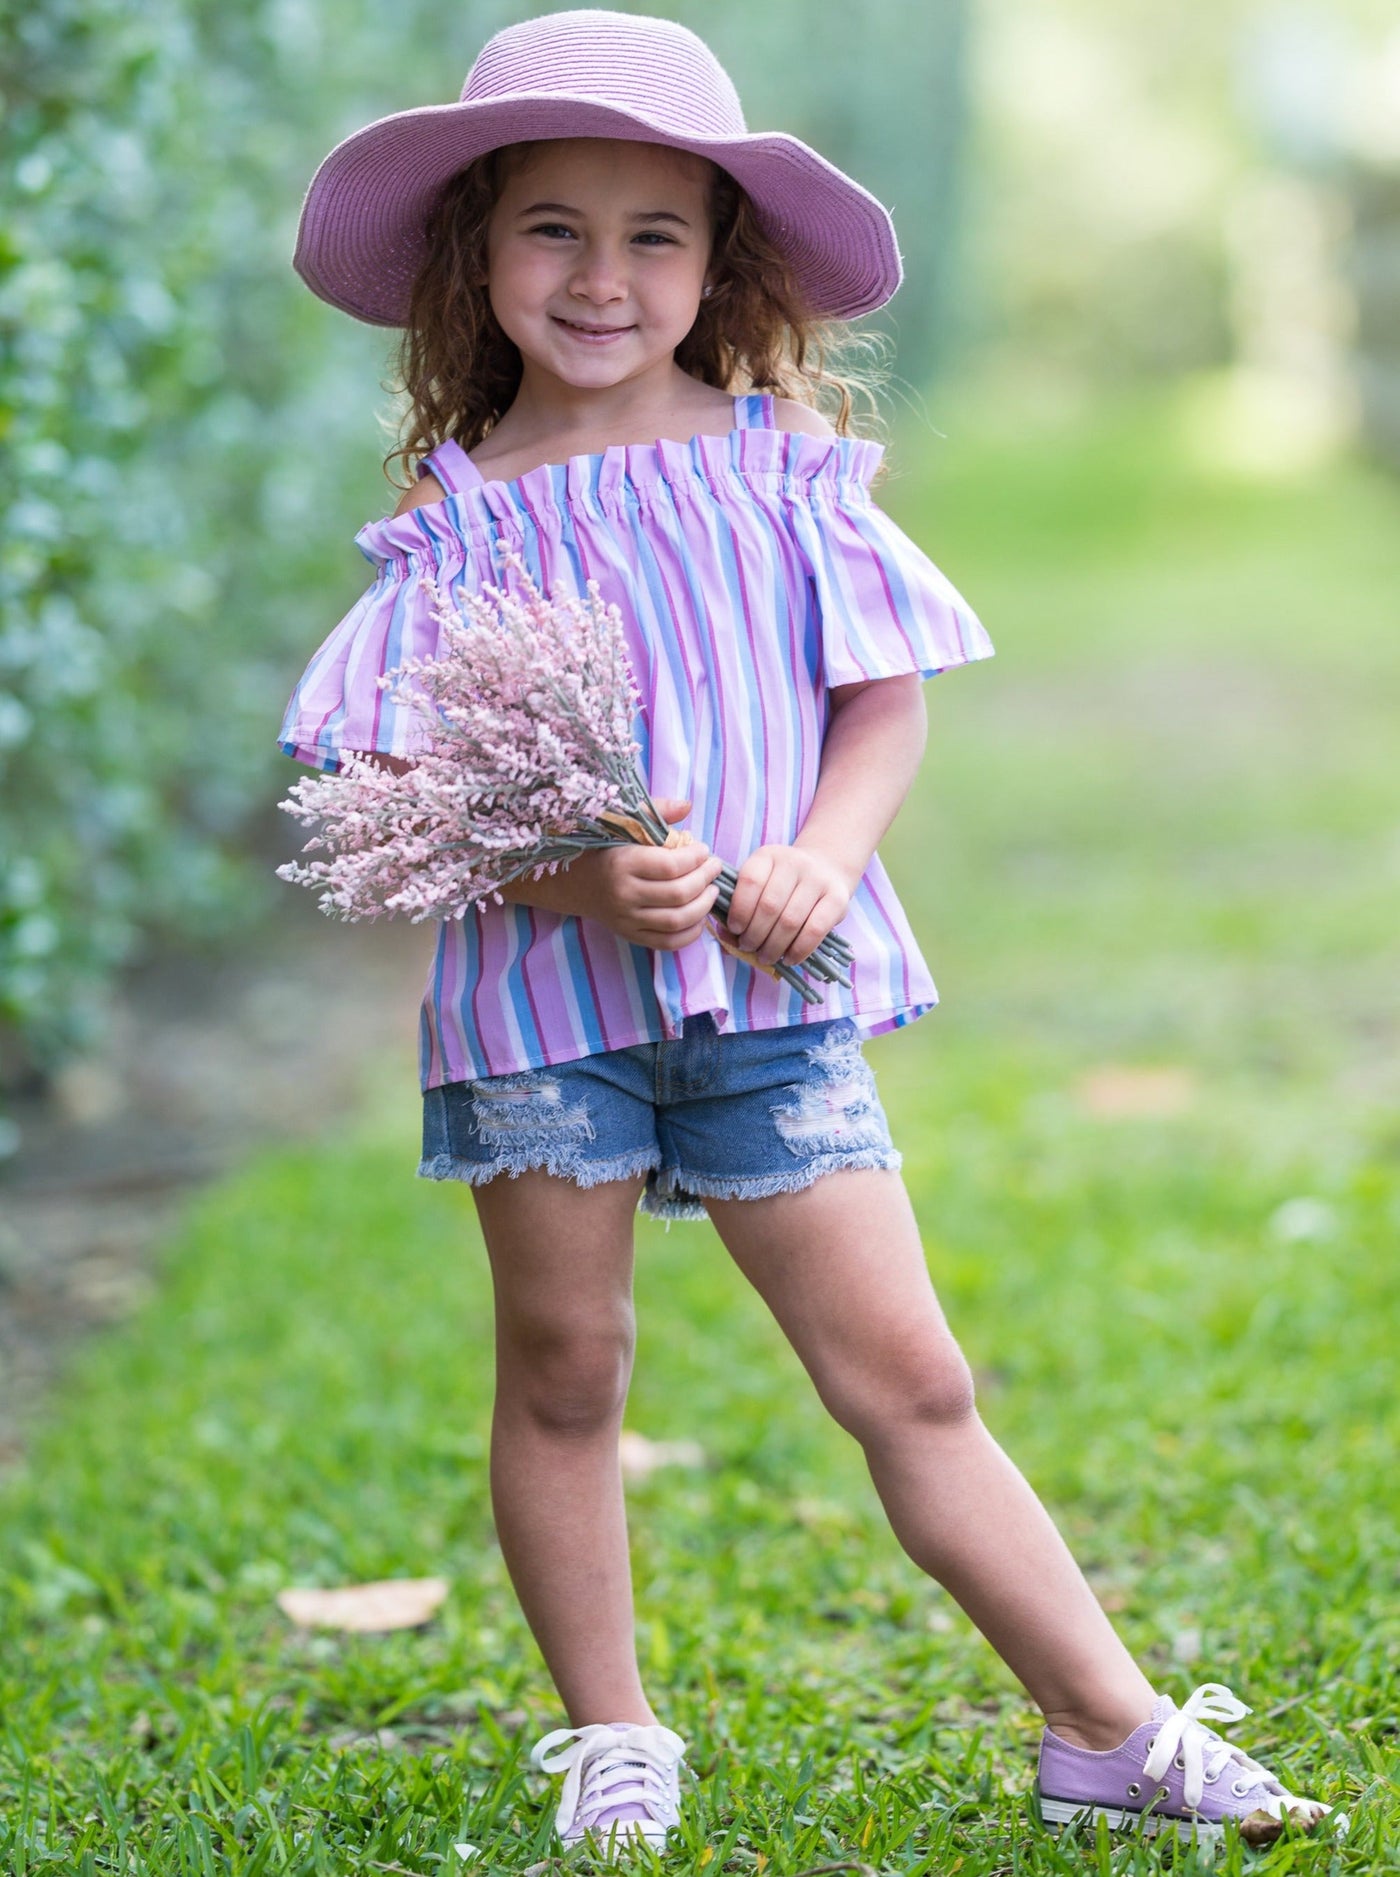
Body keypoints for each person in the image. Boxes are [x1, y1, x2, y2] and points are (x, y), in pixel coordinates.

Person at [278, 9, 1334, 1857]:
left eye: (653, 235)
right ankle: (613, 1733)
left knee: (908, 1376)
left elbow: (882, 700)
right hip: (542, 1014)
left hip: (769, 994)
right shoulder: (455, 530)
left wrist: (827, 860)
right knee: (564, 1370)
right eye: (551, 229)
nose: (601, 278)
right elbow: (398, 795)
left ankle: (1110, 1726)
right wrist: (576, 881)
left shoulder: (779, 474)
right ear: (475, 251)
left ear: (720, 264)